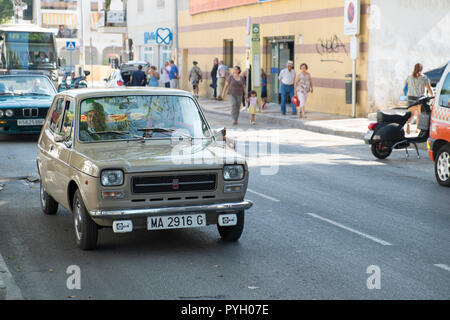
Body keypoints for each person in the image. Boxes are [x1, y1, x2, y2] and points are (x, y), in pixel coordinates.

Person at [404, 63, 433, 134]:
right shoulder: (424, 78)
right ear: (421, 69)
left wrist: (406, 95)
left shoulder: (409, 77)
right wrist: (432, 95)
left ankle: (408, 124)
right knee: (419, 115)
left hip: (410, 97)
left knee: (411, 114)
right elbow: (429, 88)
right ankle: (417, 129)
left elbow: (405, 87)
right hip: (420, 98)